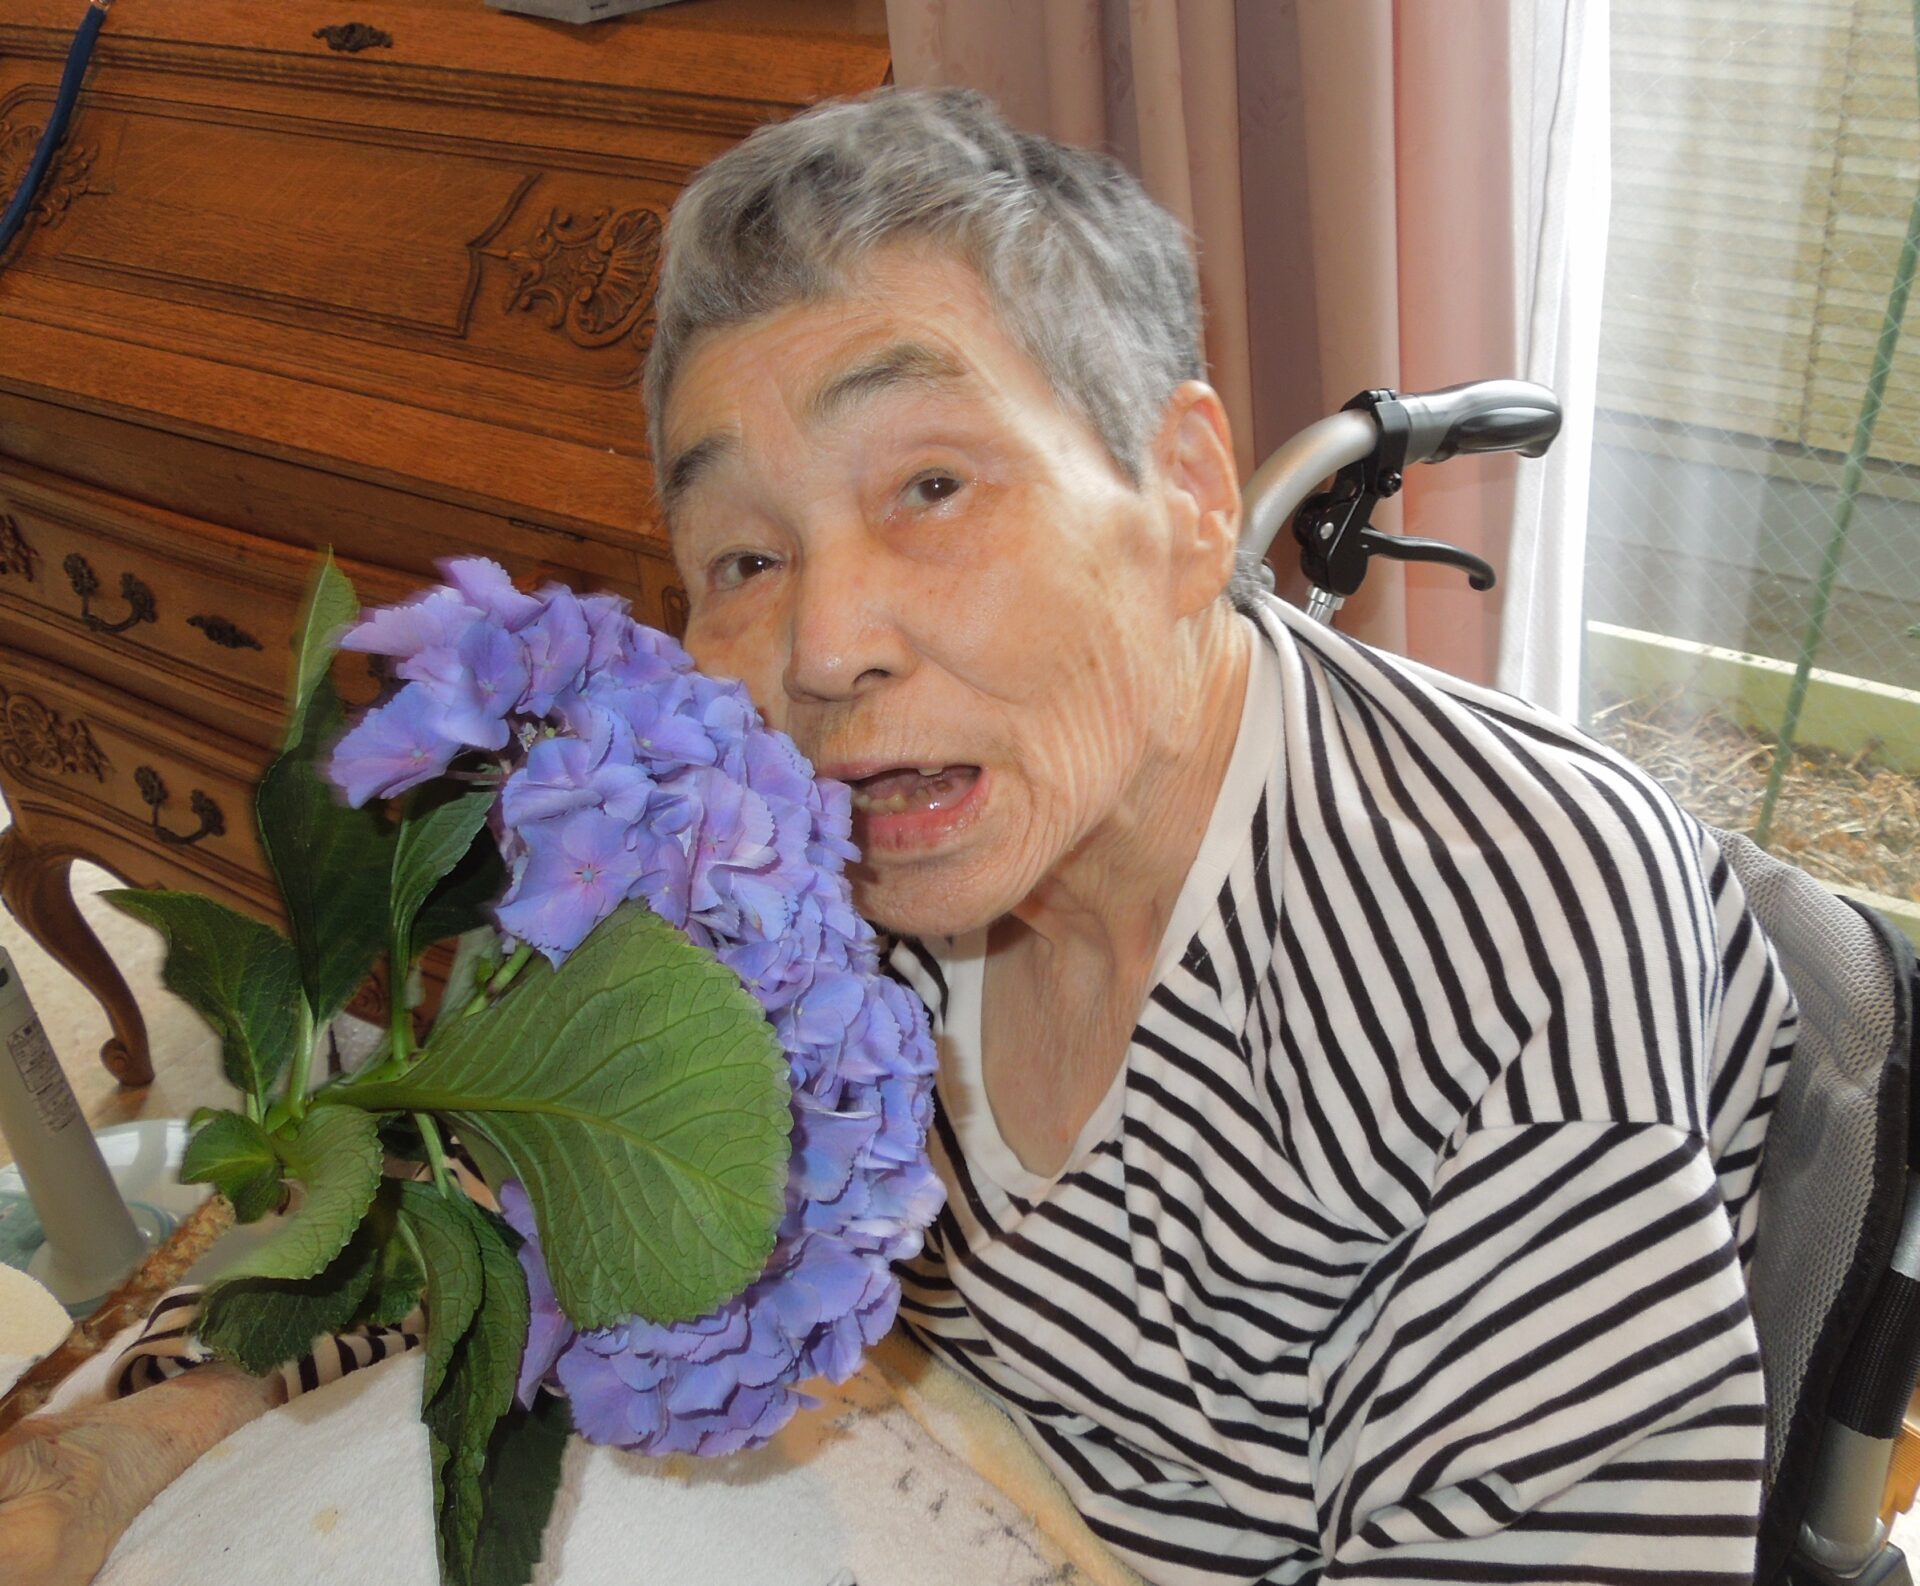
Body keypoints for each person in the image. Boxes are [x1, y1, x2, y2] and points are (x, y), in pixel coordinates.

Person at [0, 86, 1795, 1585]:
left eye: (932, 484)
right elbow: (511, 1215)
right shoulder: (794, 847)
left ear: (1186, 496)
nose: (823, 644)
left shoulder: (1517, 974)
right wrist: (141, 1442)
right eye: (745, 555)